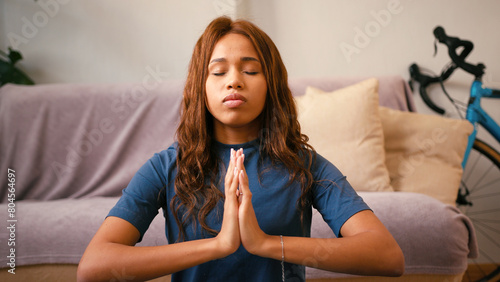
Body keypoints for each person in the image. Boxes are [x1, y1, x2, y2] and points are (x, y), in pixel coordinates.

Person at [77, 16, 404, 282]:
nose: (234, 81)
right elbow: (94, 267)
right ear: (200, 87)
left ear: (271, 85)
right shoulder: (165, 167)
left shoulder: (305, 165)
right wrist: (219, 245)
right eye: (218, 71)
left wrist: (264, 243)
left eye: (250, 70)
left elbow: (387, 256)